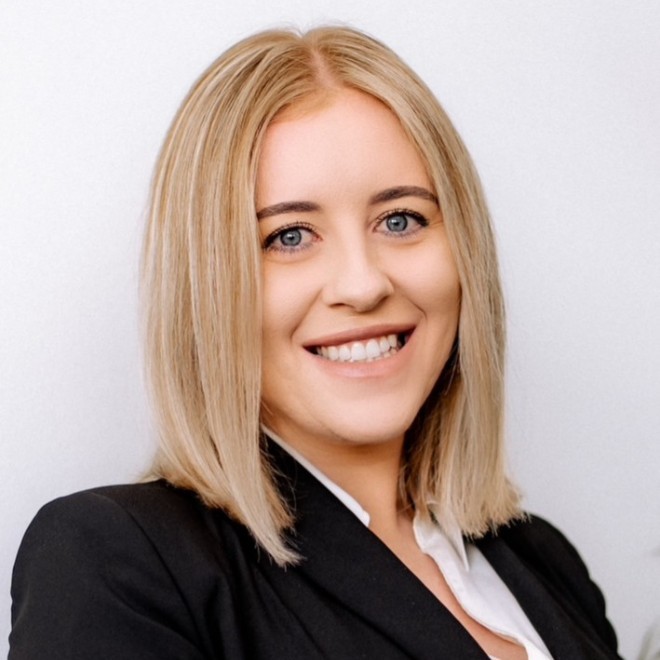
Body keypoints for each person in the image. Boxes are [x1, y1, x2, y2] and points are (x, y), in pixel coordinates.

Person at [9, 26, 620, 659]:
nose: (363, 284)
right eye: (290, 236)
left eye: (400, 220)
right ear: (206, 287)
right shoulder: (120, 561)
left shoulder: (546, 562)